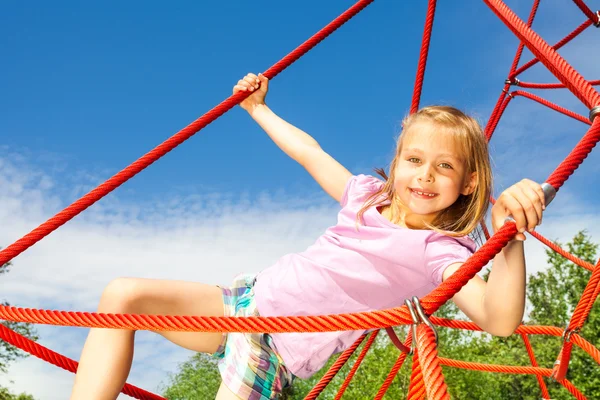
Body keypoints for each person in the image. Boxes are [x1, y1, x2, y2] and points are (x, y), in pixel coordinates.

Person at [70, 73, 546, 400]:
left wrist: (511, 237)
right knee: (123, 294)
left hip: (274, 352)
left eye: (444, 167)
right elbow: (309, 152)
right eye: (414, 160)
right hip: (240, 305)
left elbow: (498, 320)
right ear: (397, 162)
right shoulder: (364, 196)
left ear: (467, 183)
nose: (424, 176)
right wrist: (259, 110)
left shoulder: (438, 250)